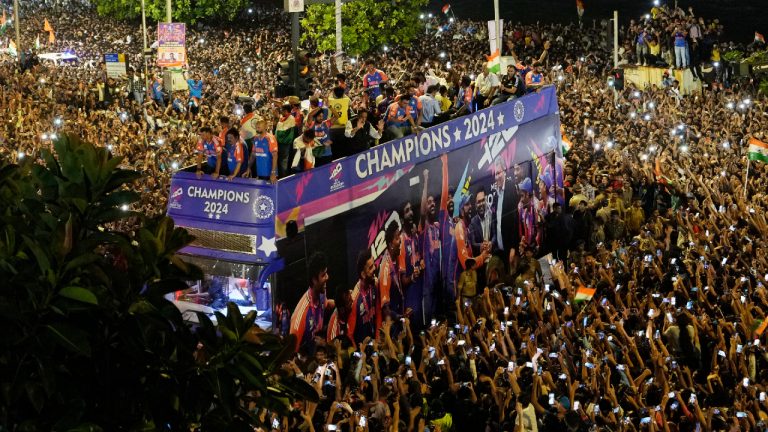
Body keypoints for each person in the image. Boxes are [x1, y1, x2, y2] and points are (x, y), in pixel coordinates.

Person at [290, 252, 335, 354]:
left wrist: (342, 300)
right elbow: (291, 356)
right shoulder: (301, 316)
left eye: (326, 273)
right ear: (314, 280)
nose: (327, 277)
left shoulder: (322, 293)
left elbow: (325, 304)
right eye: (323, 275)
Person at [348, 249, 377, 345]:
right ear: (363, 274)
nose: (374, 269)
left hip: (375, 344)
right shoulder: (354, 300)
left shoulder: (374, 284)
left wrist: (377, 338)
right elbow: (350, 335)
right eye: (370, 267)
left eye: (374, 265)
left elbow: (379, 313)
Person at [243, 118, 278, 183]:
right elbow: (253, 155)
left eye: (259, 127)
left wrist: (273, 173)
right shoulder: (255, 138)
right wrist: (248, 167)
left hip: (269, 174)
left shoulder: (270, 138)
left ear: (265, 127)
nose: (257, 129)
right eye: (256, 127)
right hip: (260, 173)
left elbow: (275, 156)